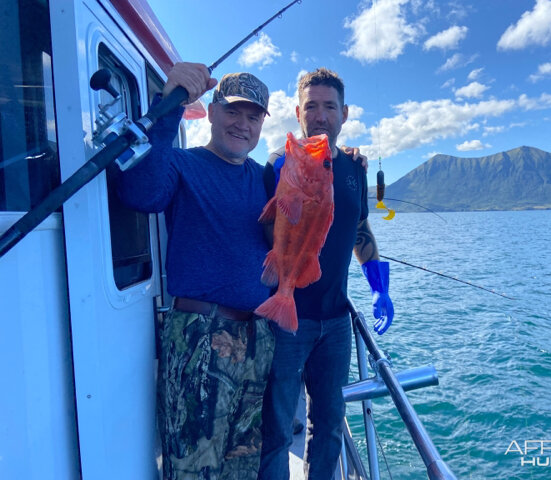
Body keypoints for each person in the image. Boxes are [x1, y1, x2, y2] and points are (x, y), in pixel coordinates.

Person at [117, 62, 275, 480]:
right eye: (234, 111)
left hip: (258, 339)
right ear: (211, 111)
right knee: (194, 469)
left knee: (241, 465)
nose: (243, 124)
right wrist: (167, 108)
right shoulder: (182, 164)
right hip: (200, 337)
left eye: (254, 115)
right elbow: (141, 192)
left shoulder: (267, 180)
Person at [258, 67, 394, 480]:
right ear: (298, 112)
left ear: (344, 113)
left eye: (329, 106)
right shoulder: (280, 165)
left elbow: (359, 229)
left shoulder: (355, 168)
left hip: (337, 321)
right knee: (277, 428)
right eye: (311, 106)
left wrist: (379, 288)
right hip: (286, 320)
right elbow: (266, 231)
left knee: (330, 426)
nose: (320, 115)